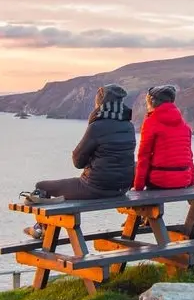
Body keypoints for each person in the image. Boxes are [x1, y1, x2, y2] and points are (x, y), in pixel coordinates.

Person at [21, 84, 136, 238]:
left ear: (100, 103)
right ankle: (42, 229)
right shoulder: (129, 126)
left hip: (95, 187)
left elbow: (78, 162)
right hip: (122, 188)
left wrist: (90, 158)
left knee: (41, 186)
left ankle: (41, 228)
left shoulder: (97, 126)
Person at [133, 85, 194, 191]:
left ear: (152, 101)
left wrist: (138, 187)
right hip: (184, 180)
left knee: (131, 167)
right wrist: (192, 182)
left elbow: (144, 157)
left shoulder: (151, 122)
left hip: (160, 181)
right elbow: (189, 157)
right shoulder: (184, 125)